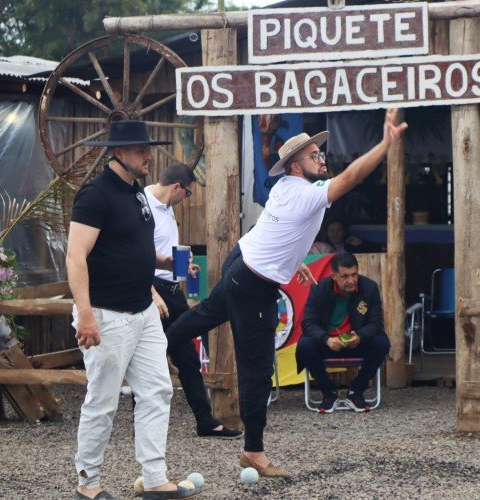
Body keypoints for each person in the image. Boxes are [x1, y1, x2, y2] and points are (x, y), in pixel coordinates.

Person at [165, 109, 407, 477]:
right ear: (295, 167)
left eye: (320, 153)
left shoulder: (284, 188)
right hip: (252, 284)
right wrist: (385, 144)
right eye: (313, 155)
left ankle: (151, 344)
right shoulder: (306, 195)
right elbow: (352, 178)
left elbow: (278, 231)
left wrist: (293, 261)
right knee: (257, 370)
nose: (321, 157)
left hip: (240, 260)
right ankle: (254, 452)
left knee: (199, 319)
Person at [67, 121, 200, 499]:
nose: (148, 155)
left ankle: (155, 480)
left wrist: (167, 263)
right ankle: (88, 485)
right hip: (106, 315)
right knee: (103, 400)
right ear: (119, 153)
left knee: (158, 391)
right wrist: (86, 314)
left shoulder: (138, 193)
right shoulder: (94, 196)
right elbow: (76, 256)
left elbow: (132, 250)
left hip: (142, 312)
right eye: (141, 149)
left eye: (147, 148)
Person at [145, 163, 242, 439]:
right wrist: (149, 290)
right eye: (187, 193)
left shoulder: (168, 208)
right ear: (176, 188)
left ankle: (205, 421)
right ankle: (143, 423)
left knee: (187, 356)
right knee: (148, 354)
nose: (187, 199)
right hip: (151, 288)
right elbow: (134, 254)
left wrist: (183, 268)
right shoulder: (143, 205)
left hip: (173, 289)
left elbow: (163, 249)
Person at [296, 252, 390, 413]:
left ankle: (356, 390)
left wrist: (359, 337)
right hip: (328, 343)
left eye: (354, 274)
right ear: (333, 276)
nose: (351, 280)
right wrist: (327, 340)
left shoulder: (369, 287)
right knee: (305, 345)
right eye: (345, 276)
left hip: (356, 342)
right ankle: (328, 392)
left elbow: (376, 323)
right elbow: (308, 323)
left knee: (382, 342)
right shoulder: (319, 288)